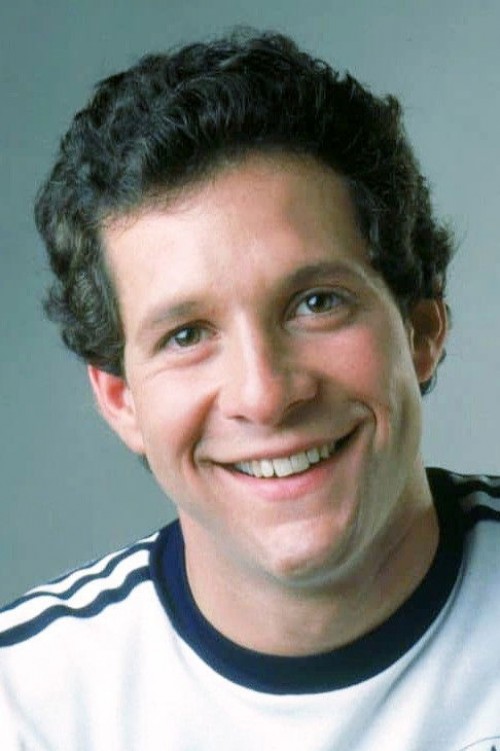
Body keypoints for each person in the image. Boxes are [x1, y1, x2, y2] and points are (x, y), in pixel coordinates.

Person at [0, 29, 499, 751]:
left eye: (316, 303)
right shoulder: (23, 708)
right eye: (186, 335)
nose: (264, 395)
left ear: (422, 328)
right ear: (120, 399)